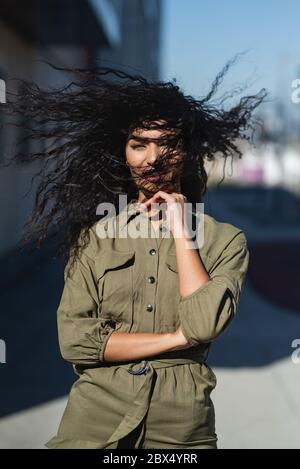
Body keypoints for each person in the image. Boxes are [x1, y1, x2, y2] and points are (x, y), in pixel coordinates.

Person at [2, 56, 267, 449]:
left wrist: (181, 229)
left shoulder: (225, 241)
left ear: (186, 152)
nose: (152, 158)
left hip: (180, 433)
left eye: (167, 145)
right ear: (122, 152)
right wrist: (176, 339)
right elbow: (74, 341)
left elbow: (203, 325)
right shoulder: (95, 238)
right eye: (138, 144)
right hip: (94, 425)